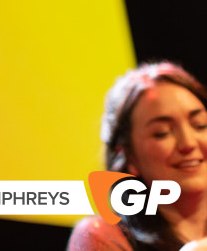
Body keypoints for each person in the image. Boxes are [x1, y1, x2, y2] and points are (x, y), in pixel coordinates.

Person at [68, 61, 207, 251]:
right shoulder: (102, 237)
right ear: (128, 157)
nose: (189, 143)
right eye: (162, 132)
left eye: (200, 125)